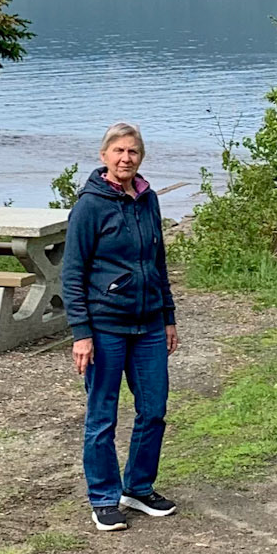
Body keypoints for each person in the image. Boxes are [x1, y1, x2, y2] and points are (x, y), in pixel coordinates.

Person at [61, 122, 179, 532]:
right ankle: (104, 498)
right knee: (102, 417)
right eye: (119, 151)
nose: (126, 158)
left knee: (153, 410)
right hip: (105, 327)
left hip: (149, 325)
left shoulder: (147, 200)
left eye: (133, 152)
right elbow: (72, 273)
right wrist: (81, 333)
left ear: (140, 157)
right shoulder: (90, 206)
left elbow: (158, 263)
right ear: (104, 156)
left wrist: (168, 316)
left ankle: (139, 488)